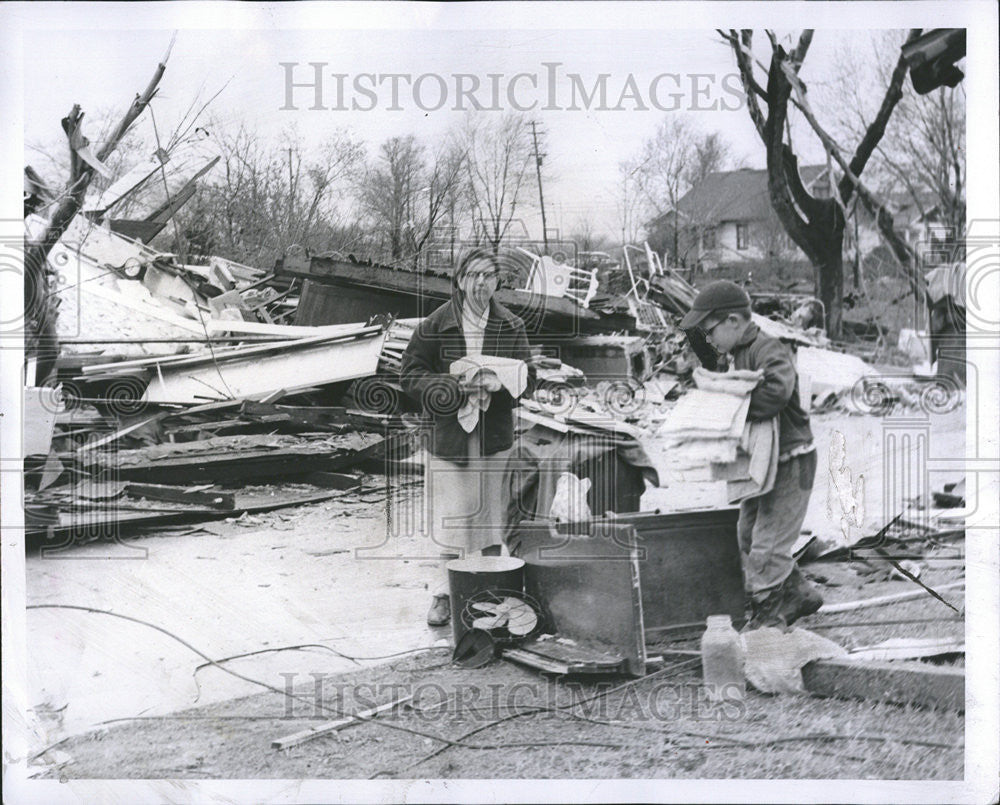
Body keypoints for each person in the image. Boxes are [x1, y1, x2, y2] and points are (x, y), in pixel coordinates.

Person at [400, 248, 535, 627]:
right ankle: (443, 595)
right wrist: (448, 387)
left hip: (494, 437)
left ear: (497, 282)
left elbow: (531, 378)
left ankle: (489, 596)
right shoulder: (434, 325)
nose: (480, 284)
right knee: (451, 522)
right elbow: (409, 374)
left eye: (488, 277)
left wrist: (502, 383)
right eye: (472, 276)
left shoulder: (511, 326)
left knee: (492, 521)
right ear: (459, 280)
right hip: (450, 438)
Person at [680, 280, 823, 630]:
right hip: (765, 462)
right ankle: (799, 593)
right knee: (748, 533)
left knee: (768, 545)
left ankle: (769, 615)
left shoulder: (767, 348)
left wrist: (727, 408)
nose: (708, 340)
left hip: (792, 461)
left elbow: (776, 392)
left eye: (709, 331)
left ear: (732, 321)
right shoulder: (737, 353)